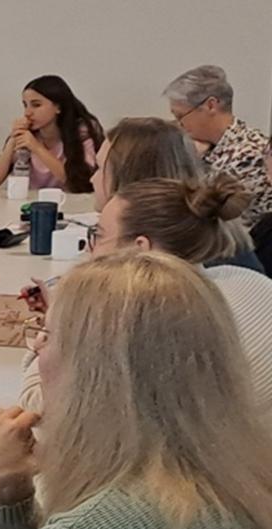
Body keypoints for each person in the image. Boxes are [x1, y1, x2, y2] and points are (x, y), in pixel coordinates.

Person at [0, 251, 272, 529]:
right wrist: (12, 498)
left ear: (96, 372)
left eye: (47, 336)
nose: (37, 349)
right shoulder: (227, 477)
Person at [20, 176, 272, 420]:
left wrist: (56, 325)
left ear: (139, 248)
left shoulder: (146, 319)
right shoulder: (243, 278)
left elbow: (40, 408)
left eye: (98, 235)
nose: (89, 249)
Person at [88, 116, 262, 272]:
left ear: (128, 178)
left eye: (100, 168)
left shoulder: (182, 256)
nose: (92, 179)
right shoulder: (206, 231)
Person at [164, 64, 271, 225]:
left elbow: (205, 217)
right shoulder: (210, 147)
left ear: (210, 106)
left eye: (181, 116)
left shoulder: (248, 155)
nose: (179, 124)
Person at [0, 75, 103, 192]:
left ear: (58, 107)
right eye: (25, 105)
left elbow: (80, 184)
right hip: (32, 200)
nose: (27, 113)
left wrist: (37, 148)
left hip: (69, 200)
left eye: (36, 105)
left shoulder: (82, 131)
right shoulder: (27, 134)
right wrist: (11, 142)